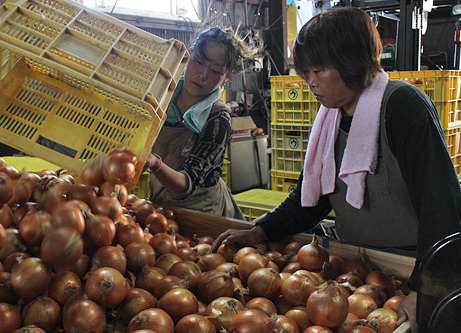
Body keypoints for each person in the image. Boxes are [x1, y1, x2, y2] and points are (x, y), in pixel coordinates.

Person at [210, 7, 461, 333]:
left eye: (319, 70)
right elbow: (310, 199)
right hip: (359, 269)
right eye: (305, 71)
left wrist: (426, 288)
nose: (310, 82)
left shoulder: (402, 107)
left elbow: (441, 207)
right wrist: (261, 230)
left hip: (412, 269)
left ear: (353, 63)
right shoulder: (330, 118)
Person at [143, 27, 257, 219]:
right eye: (198, 61)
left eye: (214, 71)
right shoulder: (161, 96)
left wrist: (155, 164)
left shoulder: (218, 120)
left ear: (226, 77)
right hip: (160, 207)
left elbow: (185, 185)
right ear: (188, 56)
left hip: (202, 212)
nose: (202, 74)